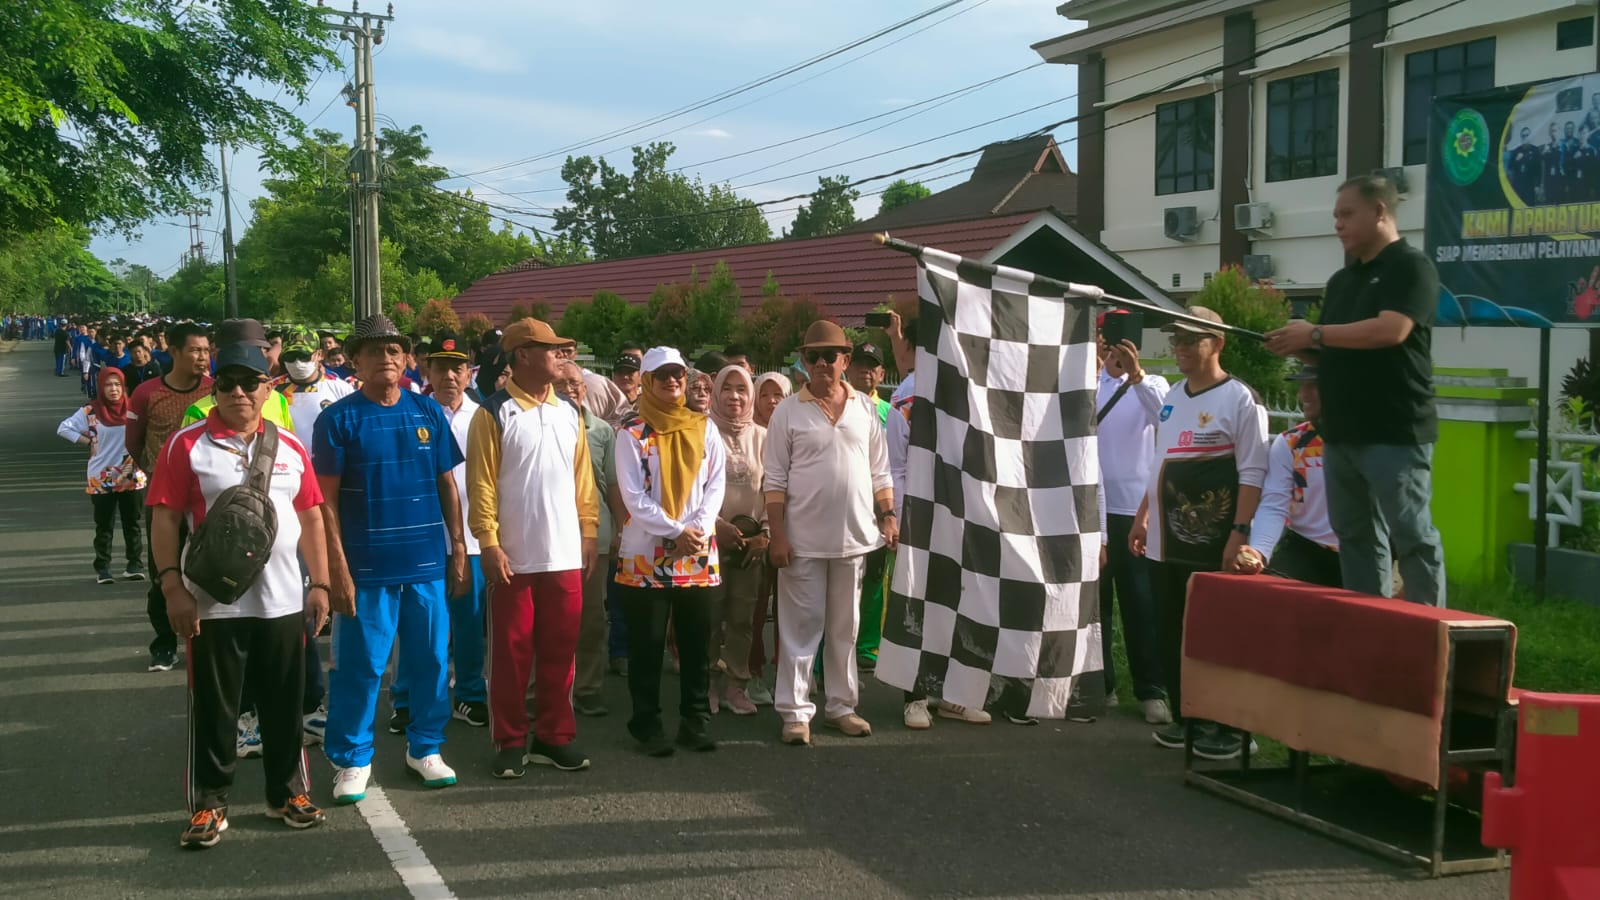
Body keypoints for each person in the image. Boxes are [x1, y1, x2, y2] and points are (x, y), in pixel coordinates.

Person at [146, 335, 331, 849]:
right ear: (215, 388)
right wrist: (171, 587)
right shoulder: (187, 445)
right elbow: (163, 518)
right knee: (215, 707)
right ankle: (209, 804)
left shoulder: (290, 447)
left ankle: (287, 793)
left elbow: (312, 515)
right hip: (211, 603)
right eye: (226, 383)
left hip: (283, 601)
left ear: (266, 386)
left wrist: (320, 584)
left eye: (250, 382)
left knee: (284, 703)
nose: (239, 393)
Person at [1265, 174, 1446, 606]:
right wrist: (1298, 346)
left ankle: (1430, 631)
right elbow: (1333, 351)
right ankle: (1372, 625)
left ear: (1380, 211)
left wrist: (1315, 335)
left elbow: (1391, 330)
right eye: (1335, 216)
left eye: (1347, 214)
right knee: (1355, 535)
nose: (1338, 225)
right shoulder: (1343, 281)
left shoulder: (1411, 266)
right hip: (1341, 432)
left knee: (1411, 533)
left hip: (1395, 431)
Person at [315, 314, 468, 802]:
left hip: (426, 563)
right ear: (355, 360)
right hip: (366, 568)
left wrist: (458, 545)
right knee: (361, 667)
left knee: (428, 661)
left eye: (394, 350)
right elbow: (326, 502)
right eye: (374, 351)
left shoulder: (428, 413)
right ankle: (352, 758)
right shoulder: (337, 419)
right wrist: (335, 566)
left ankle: (425, 747)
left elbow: (447, 483)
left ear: (407, 359)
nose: (386, 358)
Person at [1130, 307, 1268, 761]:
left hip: (1212, 543)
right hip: (1164, 544)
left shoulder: (1240, 399)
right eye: (1177, 339)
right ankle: (1189, 718)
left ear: (1219, 343)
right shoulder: (1172, 395)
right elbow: (1160, 462)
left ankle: (1232, 728)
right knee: (1170, 629)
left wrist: (1240, 533)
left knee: (1217, 633)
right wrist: (1144, 512)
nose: (1182, 347)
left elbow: (1252, 471)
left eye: (1194, 339)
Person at [467, 319, 599, 777]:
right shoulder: (493, 413)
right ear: (522, 355)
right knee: (511, 653)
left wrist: (588, 531)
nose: (560, 357)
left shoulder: (570, 412)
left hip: (563, 552)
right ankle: (510, 739)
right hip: (515, 556)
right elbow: (481, 483)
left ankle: (553, 736)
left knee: (561, 652)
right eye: (551, 350)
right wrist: (488, 541)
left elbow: (584, 479)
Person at [764, 321, 895, 746]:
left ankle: (842, 706)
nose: (821, 364)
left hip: (856, 536)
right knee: (801, 628)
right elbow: (775, 481)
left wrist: (888, 515)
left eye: (830, 355)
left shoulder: (865, 409)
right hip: (801, 540)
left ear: (846, 359)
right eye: (812, 356)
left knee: (845, 628)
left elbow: (880, 470)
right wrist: (778, 536)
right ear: (803, 361)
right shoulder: (787, 410)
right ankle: (796, 712)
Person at [614, 347, 727, 757]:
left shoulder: (703, 427)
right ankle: (646, 724)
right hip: (647, 553)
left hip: (696, 551)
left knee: (697, 644)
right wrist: (676, 530)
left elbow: (715, 484)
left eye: (677, 373)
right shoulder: (632, 433)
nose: (672, 381)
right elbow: (633, 497)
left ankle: (695, 722)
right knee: (647, 645)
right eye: (661, 374)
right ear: (646, 381)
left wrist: (696, 528)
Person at [388, 330, 490, 731]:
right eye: (442, 366)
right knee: (417, 624)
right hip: (421, 539)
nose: (450, 375)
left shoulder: (484, 416)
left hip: (473, 535)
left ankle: (468, 694)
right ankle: (407, 697)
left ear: (469, 373)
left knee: (468, 622)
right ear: (427, 369)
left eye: (458, 367)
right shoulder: (411, 411)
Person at [273, 326, 355, 745]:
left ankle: (334, 694)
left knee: (341, 591)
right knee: (301, 594)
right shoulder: (273, 395)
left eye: (306, 354)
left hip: (334, 500)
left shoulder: (341, 391)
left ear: (319, 356)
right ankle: (306, 696)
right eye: (292, 355)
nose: (298, 362)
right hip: (290, 506)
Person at [1094, 312, 1173, 726]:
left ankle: (1151, 690)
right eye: (1108, 341)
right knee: (1097, 604)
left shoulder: (1153, 384)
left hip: (1134, 511)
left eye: (1121, 343)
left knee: (1140, 602)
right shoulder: (1091, 384)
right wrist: (1095, 367)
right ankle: (1103, 683)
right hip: (1092, 508)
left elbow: (1165, 418)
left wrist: (1137, 374)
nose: (1115, 351)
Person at [126, 321, 213, 672]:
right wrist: (156, 472)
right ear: (174, 351)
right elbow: (134, 442)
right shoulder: (147, 393)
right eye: (195, 350)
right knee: (164, 572)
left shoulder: (215, 390)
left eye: (207, 351)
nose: (203, 358)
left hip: (206, 498)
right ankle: (163, 643)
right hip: (164, 500)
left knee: (210, 570)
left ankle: (206, 639)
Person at [554, 360, 618, 720]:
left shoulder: (603, 431)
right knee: (548, 620)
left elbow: (611, 485)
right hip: (550, 539)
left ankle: (589, 687)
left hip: (593, 538)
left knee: (592, 618)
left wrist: (621, 528)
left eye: (577, 385)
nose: (572, 391)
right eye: (562, 385)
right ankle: (543, 690)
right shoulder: (541, 423)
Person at [1236, 366, 1341, 587]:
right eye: (1302, 386)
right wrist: (1259, 552)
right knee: (1270, 600)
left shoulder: (1370, 442)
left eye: (1313, 386)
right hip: (1304, 550)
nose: (1303, 394)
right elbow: (1274, 503)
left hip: (1361, 552)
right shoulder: (1291, 442)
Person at [707, 365, 768, 716]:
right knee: (710, 615)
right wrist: (716, 526)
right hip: (710, 540)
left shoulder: (762, 436)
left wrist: (764, 533)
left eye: (741, 390)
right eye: (726, 389)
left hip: (751, 543)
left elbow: (771, 488)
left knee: (743, 616)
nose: (734, 396)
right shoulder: (703, 432)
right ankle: (707, 684)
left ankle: (736, 686)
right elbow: (694, 489)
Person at [59, 367, 148, 584]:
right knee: (104, 525)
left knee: (132, 523)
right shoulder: (91, 411)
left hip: (131, 473)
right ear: (101, 387)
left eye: (118, 384)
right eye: (108, 385)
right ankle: (103, 569)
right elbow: (64, 428)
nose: (114, 389)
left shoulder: (133, 409)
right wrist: (88, 441)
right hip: (101, 476)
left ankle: (134, 564)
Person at [846, 342, 891, 675]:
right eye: (859, 364)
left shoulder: (891, 412)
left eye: (871, 366)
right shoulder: (841, 406)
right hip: (846, 510)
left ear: (881, 374)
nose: (865, 371)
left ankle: (867, 645)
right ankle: (839, 646)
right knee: (845, 582)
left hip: (878, 512)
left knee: (875, 580)